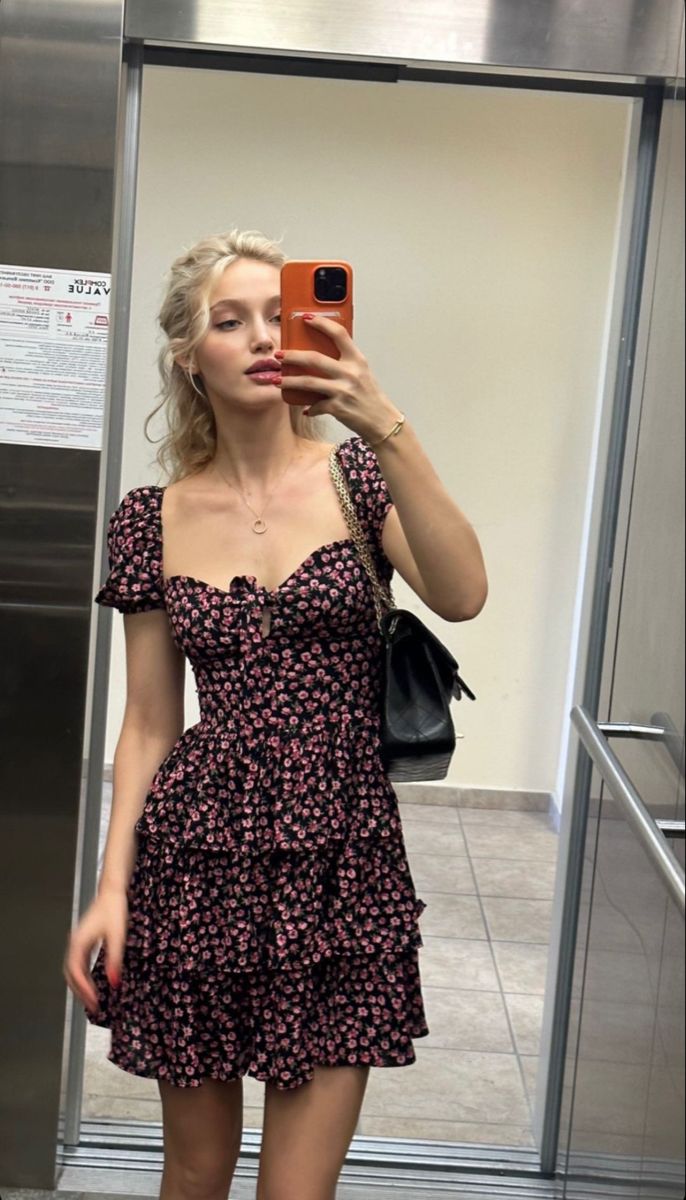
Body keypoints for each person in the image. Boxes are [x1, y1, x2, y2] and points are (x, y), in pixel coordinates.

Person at [63, 229, 488, 1199]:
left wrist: (386, 426)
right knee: (193, 1173)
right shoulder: (151, 518)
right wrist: (111, 887)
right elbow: (148, 725)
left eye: (279, 314)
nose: (263, 336)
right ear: (188, 354)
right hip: (195, 860)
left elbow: (462, 594)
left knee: (298, 1189)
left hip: (342, 861)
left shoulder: (358, 478)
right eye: (230, 320)